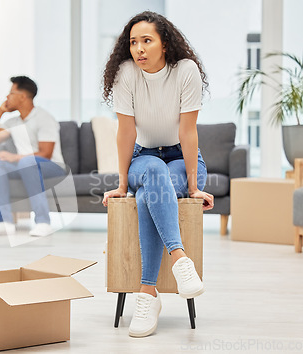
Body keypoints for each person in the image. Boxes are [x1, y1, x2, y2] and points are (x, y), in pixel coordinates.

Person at [101, 11, 214, 338]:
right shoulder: (126, 73)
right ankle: (181, 260)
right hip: (144, 158)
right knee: (152, 171)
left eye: (147, 41)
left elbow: (188, 132)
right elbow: (125, 132)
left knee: (154, 190)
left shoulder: (186, 71)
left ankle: (147, 293)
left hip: (183, 158)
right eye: (133, 42)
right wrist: (122, 184)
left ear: (165, 44)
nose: (139, 49)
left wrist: (193, 186)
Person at [0, 76, 65, 237]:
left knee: (26, 162)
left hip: (52, 166)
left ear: (22, 96)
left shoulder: (43, 117)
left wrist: (16, 158)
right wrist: (0, 111)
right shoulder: (13, 122)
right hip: (25, 165)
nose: (7, 97)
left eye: (11, 93)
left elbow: (46, 153)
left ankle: (43, 222)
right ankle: (3, 222)